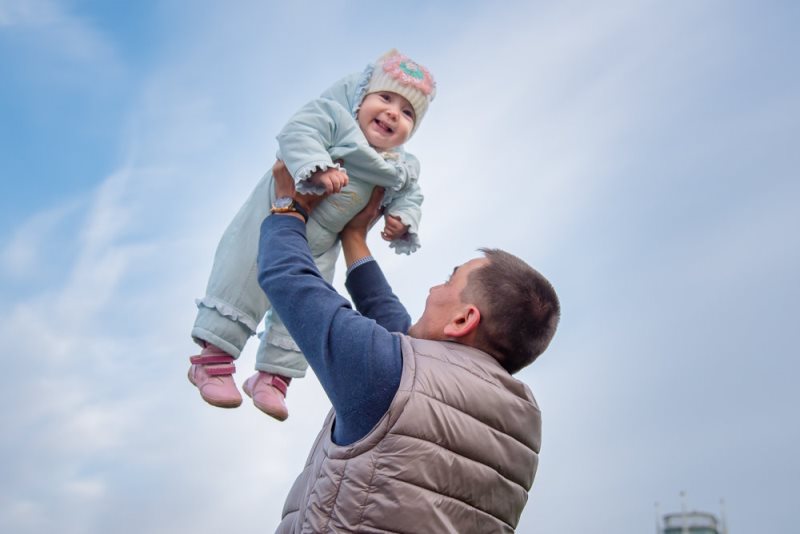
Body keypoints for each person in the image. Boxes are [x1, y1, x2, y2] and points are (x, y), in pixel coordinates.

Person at [259, 161, 561, 532]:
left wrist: (289, 206)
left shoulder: (391, 377)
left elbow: (289, 280)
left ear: (463, 320)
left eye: (449, 281)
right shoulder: (521, 430)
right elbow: (399, 338)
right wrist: (356, 239)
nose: (434, 289)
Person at [187, 50, 436, 420]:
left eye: (407, 113)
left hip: (322, 245)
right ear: (359, 97)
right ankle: (212, 361)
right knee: (242, 280)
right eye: (385, 98)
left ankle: (273, 378)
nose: (392, 113)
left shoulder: (399, 166)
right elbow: (298, 133)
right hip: (271, 216)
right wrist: (316, 167)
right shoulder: (335, 120)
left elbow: (410, 195)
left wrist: (402, 218)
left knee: (308, 301)